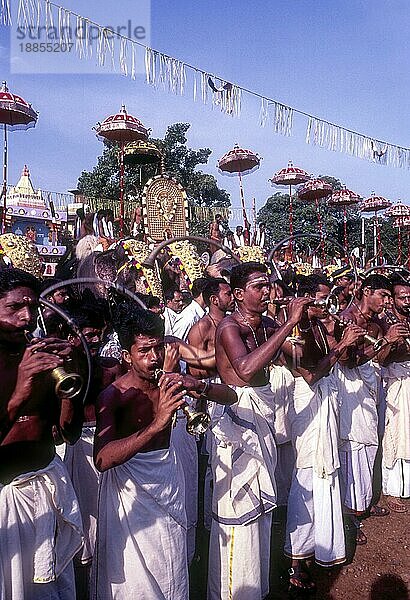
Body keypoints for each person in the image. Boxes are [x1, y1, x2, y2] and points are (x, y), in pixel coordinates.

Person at [92, 308, 236, 600]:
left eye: (158, 348)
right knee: (136, 577)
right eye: (144, 350)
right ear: (126, 355)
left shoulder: (170, 382)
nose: (154, 358)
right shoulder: (113, 395)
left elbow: (231, 397)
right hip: (130, 496)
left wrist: (198, 385)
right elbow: (103, 459)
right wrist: (157, 423)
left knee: (169, 561)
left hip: (168, 480)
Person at [208, 262, 310, 600]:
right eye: (258, 286)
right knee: (240, 510)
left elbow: (298, 359)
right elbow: (247, 369)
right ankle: (234, 592)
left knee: (261, 512)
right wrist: (288, 324)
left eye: (268, 285)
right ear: (238, 294)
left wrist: (305, 323)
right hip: (237, 422)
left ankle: (256, 588)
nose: (267, 292)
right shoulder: (228, 327)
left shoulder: (268, 324)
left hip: (262, 422)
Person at [0, 268, 83, 599]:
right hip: (7, 500)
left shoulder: (37, 353)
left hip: (46, 491)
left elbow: (68, 434)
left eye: (32, 308)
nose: (27, 318)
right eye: (14, 308)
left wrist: (69, 390)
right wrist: (20, 390)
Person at [284, 275, 363, 590]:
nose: (330, 303)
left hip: (325, 405)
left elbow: (338, 360)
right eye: (323, 297)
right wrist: (342, 343)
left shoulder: (318, 326)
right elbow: (311, 375)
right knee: (307, 477)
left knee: (324, 476)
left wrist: (345, 339)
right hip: (308, 408)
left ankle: (322, 547)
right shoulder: (293, 332)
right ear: (305, 299)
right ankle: (295, 561)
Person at [334, 274, 406, 544]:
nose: (387, 302)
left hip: (370, 387)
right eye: (383, 296)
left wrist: (390, 342)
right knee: (354, 446)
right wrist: (386, 341)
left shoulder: (376, 322)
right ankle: (350, 513)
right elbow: (348, 362)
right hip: (351, 390)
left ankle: (362, 501)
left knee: (370, 444)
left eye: (389, 297)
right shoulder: (347, 317)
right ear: (366, 292)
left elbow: (380, 359)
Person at [380, 277, 410, 512]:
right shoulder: (383, 321)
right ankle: (392, 489)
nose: (407, 301)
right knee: (395, 433)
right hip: (395, 382)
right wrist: (393, 342)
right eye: (402, 297)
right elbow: (380, 358)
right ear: (392, 299)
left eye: (409, 297)